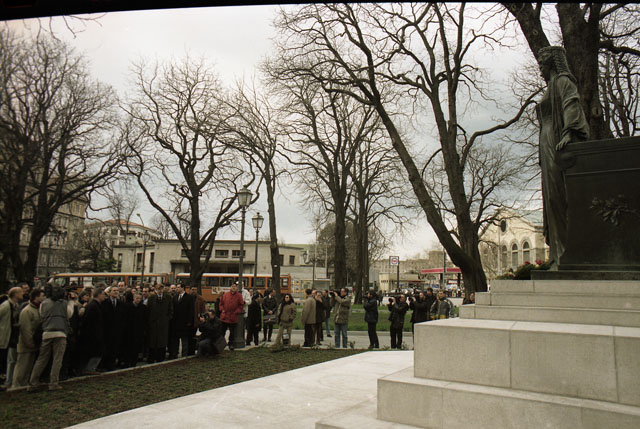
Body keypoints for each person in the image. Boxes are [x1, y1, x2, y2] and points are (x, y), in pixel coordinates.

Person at [536, 46, 590, 267]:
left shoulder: (563, 82)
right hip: (546, 141)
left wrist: (569, 132)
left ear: (551, 64)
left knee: (559, 195)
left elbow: (571, 104)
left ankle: (569, 251)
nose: (540, 69)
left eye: (542, 64)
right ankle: (557, 253)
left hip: (556, 139)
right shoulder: (550, 87)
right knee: (551, 197)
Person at [29, 284, 71, 391]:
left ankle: (33, 382)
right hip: (60, 332)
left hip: (47, 332)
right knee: (57, 359)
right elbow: (69, 314)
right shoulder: (64, 303)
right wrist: (70, 301)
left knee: (42, 359)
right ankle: (53, 383)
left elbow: (41, 315)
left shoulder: (44, 303)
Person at [11, 288, 44, 389]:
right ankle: (16, 386)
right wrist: (30, 343)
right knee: (22, 366)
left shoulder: (37, 309)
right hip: (26, 344)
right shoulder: (27, 311)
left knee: (28, 367)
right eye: (42, 296)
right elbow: (26, 329)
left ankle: (24, 384)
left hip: (33, 343)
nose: (44, 298)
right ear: (36, 297)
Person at [0, 286, 24, 389]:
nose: (23, 294)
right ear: (15, 294)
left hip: (10, 336)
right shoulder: (5, 306)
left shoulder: (15, 306)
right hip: (4, 335)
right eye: (21, 292)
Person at [79, 287, 106, 375]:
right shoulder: (93, 306)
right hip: (92, 334)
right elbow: (88, 321)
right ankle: (89, 368)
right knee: (95, 352)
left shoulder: (95, 305)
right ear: (99, 295)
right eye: (103, 294)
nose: (104, 296)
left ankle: (91, 368)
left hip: (95, 333)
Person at [147, 283, 173, 363]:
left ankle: (161, 358)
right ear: (155, 290)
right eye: (158, 289)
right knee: (152, 341)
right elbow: (148, 310)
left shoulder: (168, 298)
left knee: (162, 342)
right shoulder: (151, 298)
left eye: (161, 289)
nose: (160, 291)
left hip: (163, 324)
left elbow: (171, 310)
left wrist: (167, 319)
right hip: (153, 324)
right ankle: (151, 358)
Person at [169, 284, 194, 359]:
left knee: (184, 340)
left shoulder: (189, 297)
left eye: (178, 287)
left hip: (185, 322)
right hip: (176, 322)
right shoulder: (175, 297)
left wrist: (189, 321)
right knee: (175, 340)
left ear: (183, 288)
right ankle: (174, 354)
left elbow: (191, 310)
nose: (176, 289)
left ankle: (184, 355)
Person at [219, 283, 244, 351]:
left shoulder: (239, 296)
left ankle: (231, 344)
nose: (233, 288)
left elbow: (241, 305)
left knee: (232, 332)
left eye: (235, 287)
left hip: (233, 317)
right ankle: (220, 344)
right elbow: (221, 304)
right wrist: (222, 310)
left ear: (236, 288)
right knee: (222, 332)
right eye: (232, 286)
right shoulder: (225, 295)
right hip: (224, 316)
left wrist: (237, 311)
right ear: (230, 287)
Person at [189, 286, 207, 355]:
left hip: (196, 321)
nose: (193, 291)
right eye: (192, 289)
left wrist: (201, 319)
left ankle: (193, 351)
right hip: (189, 321)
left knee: (195, 337)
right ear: (190, 290)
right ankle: (189, 351)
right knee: (189, 337)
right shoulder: (188, 298)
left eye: (195, 289)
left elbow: (203, 311)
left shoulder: (200, 299)